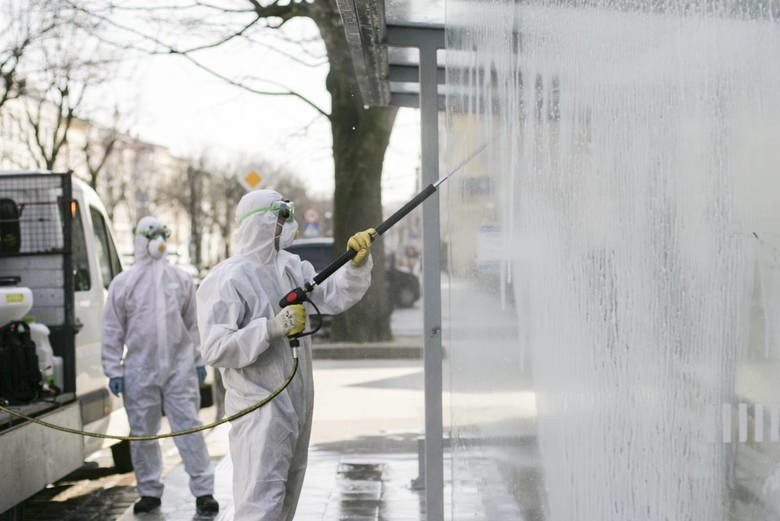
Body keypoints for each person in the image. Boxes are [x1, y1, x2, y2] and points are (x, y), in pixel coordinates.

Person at [197, 190, 373, 521]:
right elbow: (215, 348)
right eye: (281, 216)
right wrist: (270, 329)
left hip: (296, 404)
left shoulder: (291, 267)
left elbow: (331, 297)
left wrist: (354, 265)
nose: (287, 223)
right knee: (259, 503)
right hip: (258, 408)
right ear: (261, 222)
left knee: (286, 499)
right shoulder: (229, 277)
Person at [101, 216, 219, 515]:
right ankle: (149, 491)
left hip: (179, 368)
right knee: (143, 432)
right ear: (142, 239)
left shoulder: (180, 279)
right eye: (152, 234)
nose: (158, 240)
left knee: (189, 428)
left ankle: (203, 491)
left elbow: (193, 324)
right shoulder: (124, 283)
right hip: (140, 369)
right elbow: (112, 330)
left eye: (161, 234)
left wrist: (197, 360)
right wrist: (114, 369)